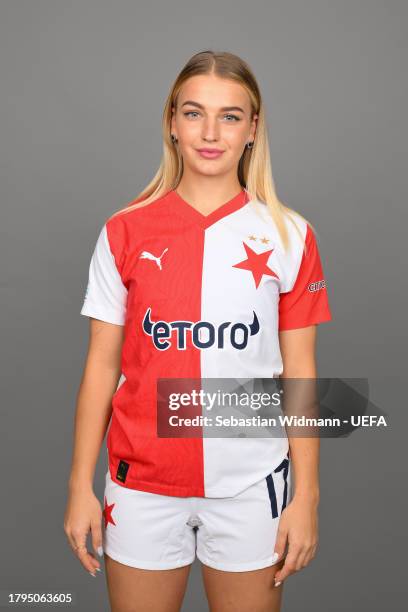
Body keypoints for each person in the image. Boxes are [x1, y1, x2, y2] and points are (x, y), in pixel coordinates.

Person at [64, 49, 332, 612]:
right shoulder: (123, 231)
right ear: (171, 121)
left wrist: (305, 496)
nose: (211, 132)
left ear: (253, 127)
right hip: (140, 488)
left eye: (230, 116)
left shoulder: (290, 236)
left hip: (251, 486)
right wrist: (77, 487)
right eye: (194, 113)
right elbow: (101, 367)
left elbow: (300, 373)